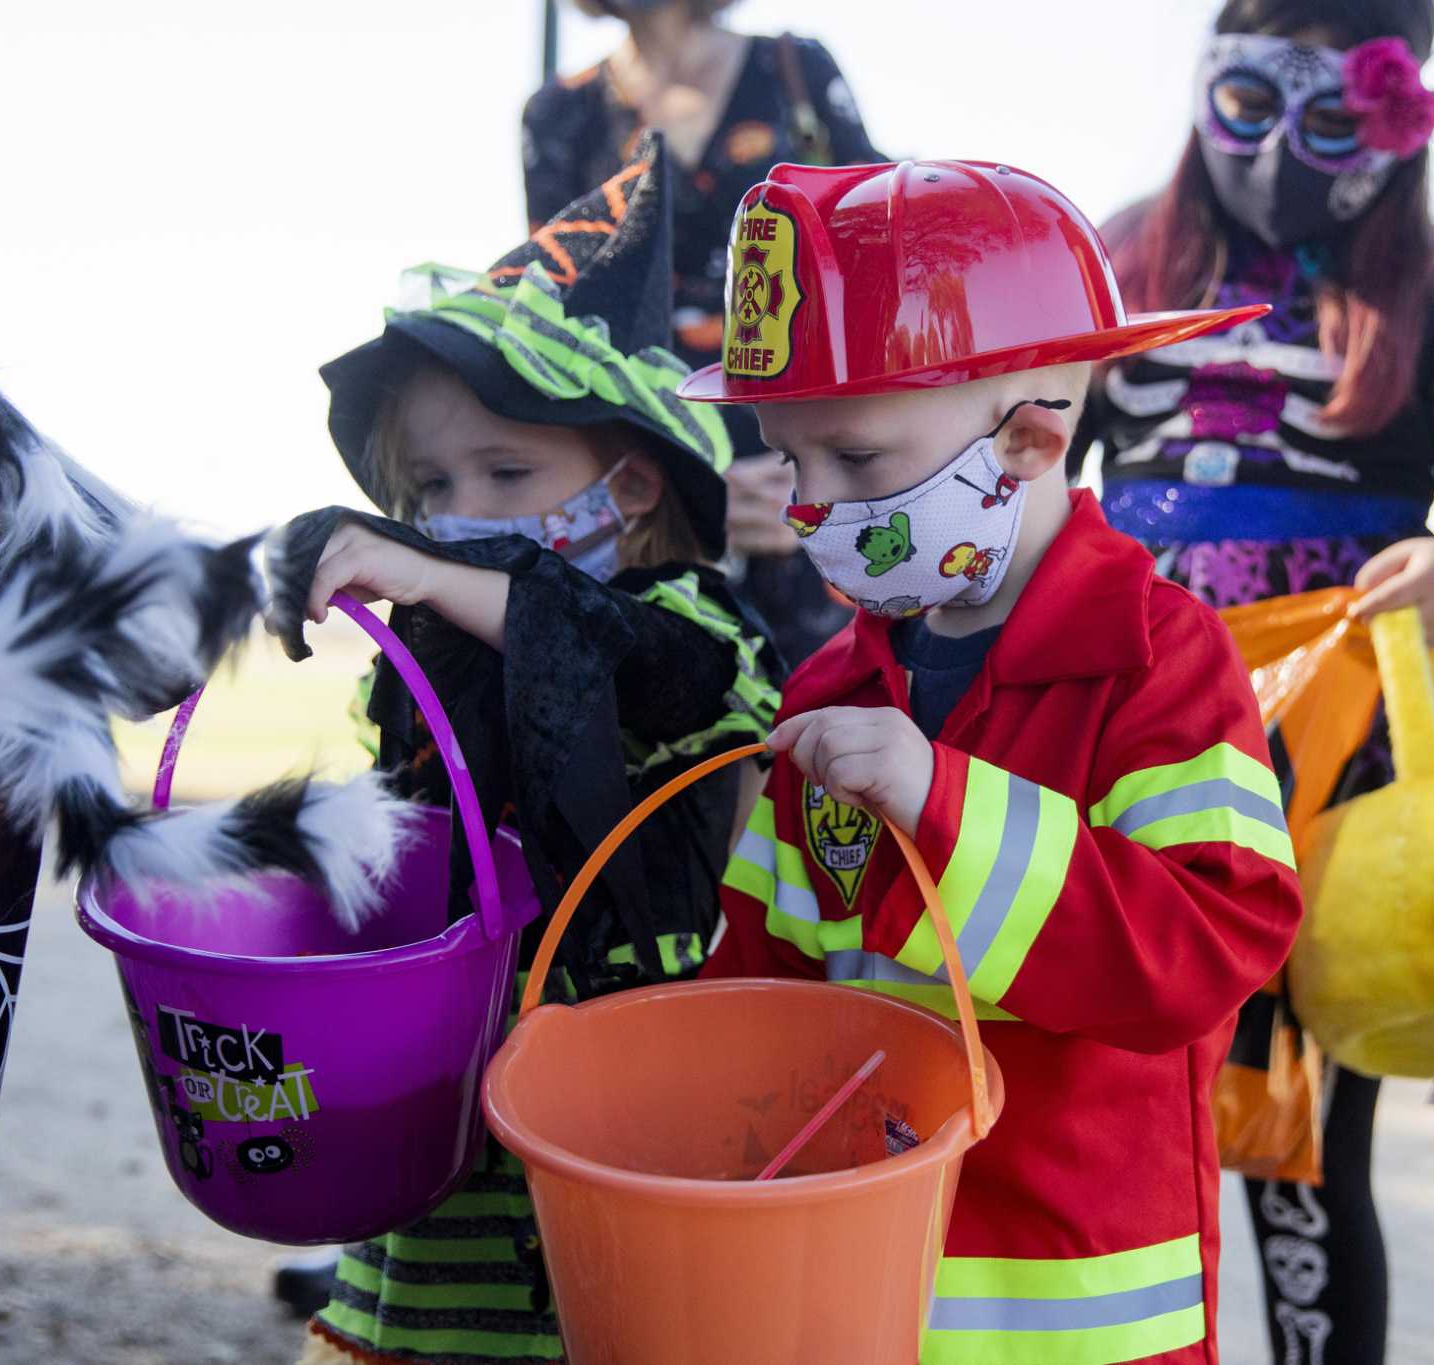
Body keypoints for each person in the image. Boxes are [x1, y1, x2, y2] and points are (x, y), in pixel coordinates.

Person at [684, 159, 1305, 1364]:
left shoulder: (1159, 663)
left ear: (1026, 438)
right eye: (789, 459)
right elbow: (758, 980)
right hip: (850, 1302)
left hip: (1071, 1319)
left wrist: (939, 802)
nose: (806, 506)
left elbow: (1203, 950)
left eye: (853, 459)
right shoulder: (829, 692)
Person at [1073, 3, 1434, 1361]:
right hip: (1128, 727)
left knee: (1299, 1141)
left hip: (1336, 761)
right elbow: (1019, 465)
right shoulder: (1120, 258)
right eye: (1248, 105)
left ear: (1397, 118)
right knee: (1094, 1109)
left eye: (1333, 119)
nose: (1280, 149)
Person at [269, 134, 783, 1365]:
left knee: (596, 1323)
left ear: (632, 487)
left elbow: (634, 668)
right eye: (430, 485)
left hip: (617, 1086)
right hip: (448, 1084)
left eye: (506, 471)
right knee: (439, 1329)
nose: (459, 514)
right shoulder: (424, 655)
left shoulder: (697, 628)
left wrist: (438, 579)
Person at [523, 0, 884, 667]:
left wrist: (839, 471)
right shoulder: (560, 113)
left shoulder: (793, 68)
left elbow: (877, 268)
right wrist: (681, 490)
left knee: (831, 698)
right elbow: (558, 325)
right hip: (652, 498)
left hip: (807, 479)